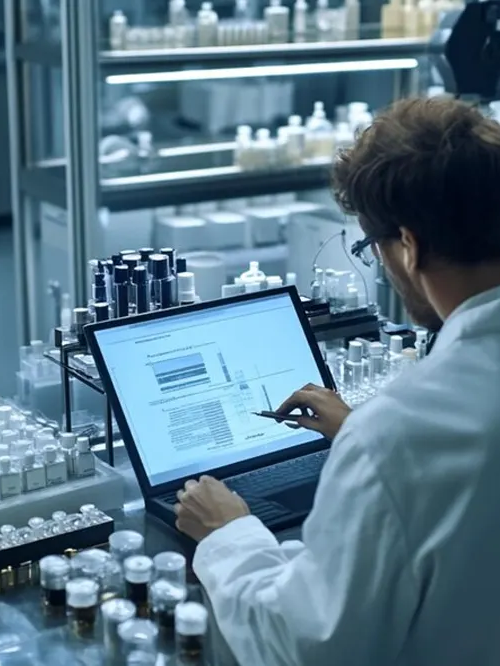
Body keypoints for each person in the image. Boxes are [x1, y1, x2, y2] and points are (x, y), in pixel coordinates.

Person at [175, 97, 500, 666]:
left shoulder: (397, 434)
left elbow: (305, 647)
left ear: (410, 246)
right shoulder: (396, 434)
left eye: (370, 247)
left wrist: (230, 535)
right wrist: (361, 436)